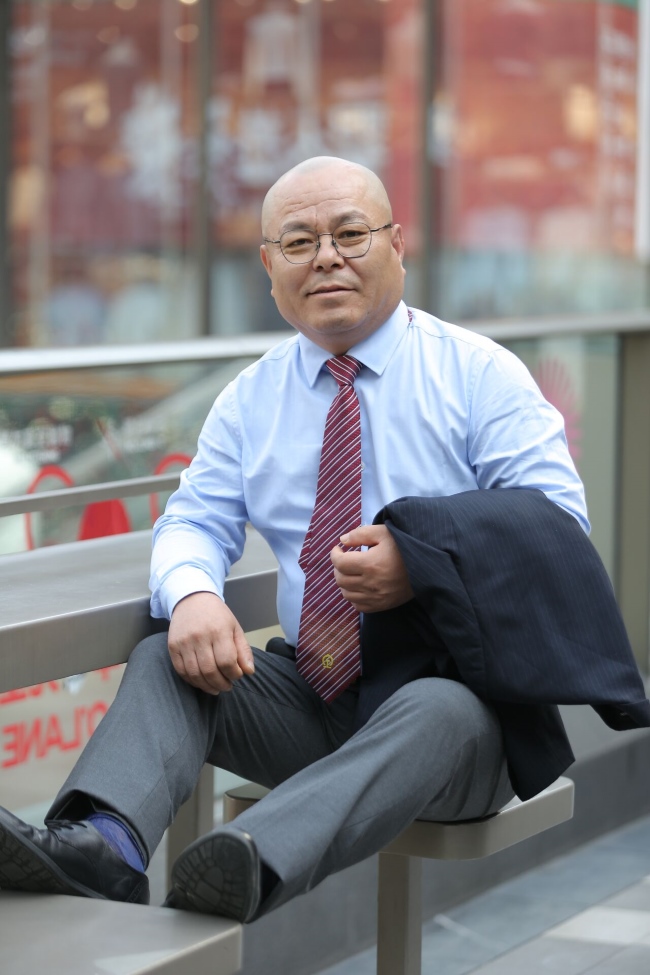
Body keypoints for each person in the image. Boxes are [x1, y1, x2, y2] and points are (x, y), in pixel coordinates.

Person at [0, 156, 589, 921]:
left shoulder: (479, 375)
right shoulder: (252, 397)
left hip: (463, 721)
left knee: (437, 705)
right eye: (300, 241)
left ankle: (253, 857)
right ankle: (105, 847)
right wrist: (194, 595)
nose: (327, 258)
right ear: (269, 265)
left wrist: (424, 562)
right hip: (319, 700)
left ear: (397, 244)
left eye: (351, 234)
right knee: (167, 657)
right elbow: (193, 519)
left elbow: (557, 527)